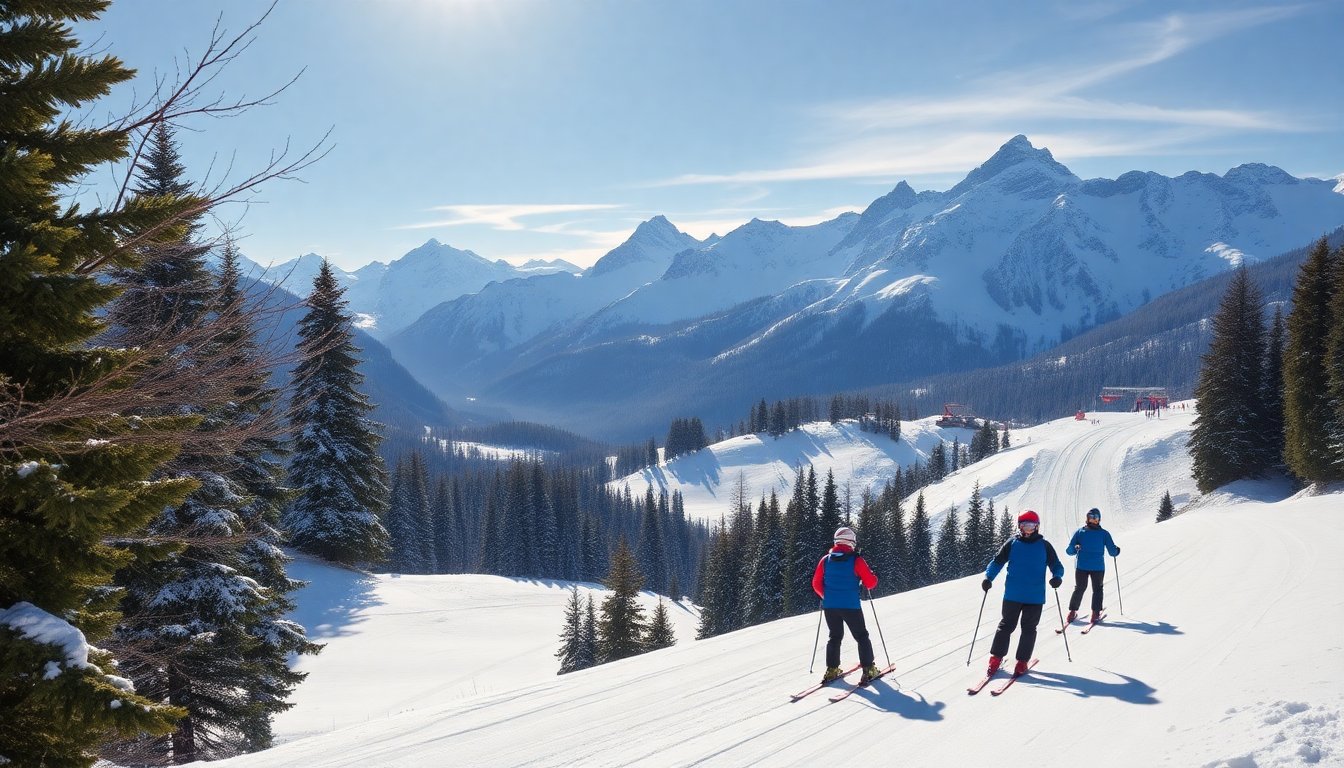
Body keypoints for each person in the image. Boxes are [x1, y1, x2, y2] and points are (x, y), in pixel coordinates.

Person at [980, 510, 1065, 677]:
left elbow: (1057, 565)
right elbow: (997, 562)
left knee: (1029, 629)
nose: (1028, 529)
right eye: (1025, 525)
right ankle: (996, 658)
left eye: (1032, 525)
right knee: (1006, 626)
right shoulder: (1012, 544)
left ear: (1037, 527)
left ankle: (1022, 662)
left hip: (1035, 597)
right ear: (1019, 526)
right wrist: (988, 577)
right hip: (1013, 594)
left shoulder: (1044, 546)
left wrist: (1057, 577)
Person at [812, 526, 881, 684]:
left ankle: (832, 670)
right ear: (851, 542)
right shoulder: (856, 560)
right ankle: (869, 669)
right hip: (850, 606)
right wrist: (873, 576)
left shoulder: (825, 560)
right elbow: (870, 583)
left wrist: (827, 596)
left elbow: (816, 583)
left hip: (830, 606)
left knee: (835, 637)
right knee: (861, 636)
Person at [1065, 507, 1121, 623]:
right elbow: (1112, 552)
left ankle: (1073, 612)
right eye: (1091, 517)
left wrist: (1074, 549)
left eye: (1095, 518)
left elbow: (1070, 551)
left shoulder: (1081, 533)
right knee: (1096, 589)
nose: (1093, 520)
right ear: (1087, 519)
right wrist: (1116, 551)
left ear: (1099, 520)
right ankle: (1093, 613)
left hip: (1083, 567)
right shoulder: (1102, 534)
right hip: (1096, 567)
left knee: (1081, 588)